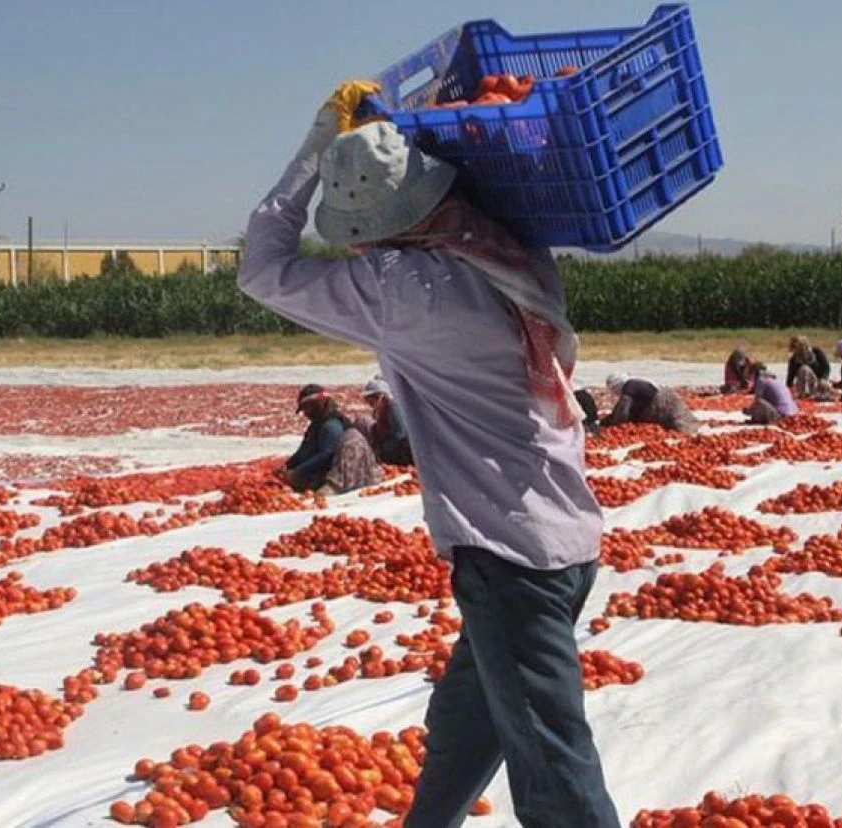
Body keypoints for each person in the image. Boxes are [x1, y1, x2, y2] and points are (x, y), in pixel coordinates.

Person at [238, 82, 620, 828]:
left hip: (512, 560)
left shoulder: (404, 288)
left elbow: (262, 266)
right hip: (562, 542)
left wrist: (319, 147)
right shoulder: (511, 249)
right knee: (465, 728)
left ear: (371, 229)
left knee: (554, 773)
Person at [283, 383, 382, 495]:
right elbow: (304, 449)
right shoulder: (316, 425)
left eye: (307, 408)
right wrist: (289, 464)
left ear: (315, 405)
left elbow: (327, 454)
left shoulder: (331, 425)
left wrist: (297, 472)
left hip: (345, 472)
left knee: (317, 490)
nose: (306, 413)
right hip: (328, 466)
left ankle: (331, 487)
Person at [602, 373, 700, 435]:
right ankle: (691, 430)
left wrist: (614, 425)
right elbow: (621, 410)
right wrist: (605, 422)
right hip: (662, 404)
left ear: (618, 384)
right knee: (673, 423)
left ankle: (692, 432)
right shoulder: (634, 386)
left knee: (679, 423)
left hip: (664, 402)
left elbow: (622, 411)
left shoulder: (630, 385)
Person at [360, 376, 413, 465]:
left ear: (380, 396)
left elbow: (399, 436)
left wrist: (381, 451)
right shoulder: (382, 409)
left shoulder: (394, 408)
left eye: (372, 402)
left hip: (401, 450)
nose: (371, 405)